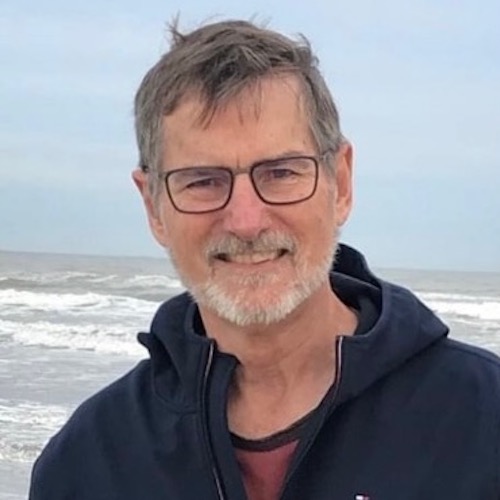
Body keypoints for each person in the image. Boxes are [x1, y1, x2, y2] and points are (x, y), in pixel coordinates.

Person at [30, 19, 500, 500]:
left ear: (341, 181)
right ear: (153, 205)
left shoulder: (482, 423)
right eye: (202, 180)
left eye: (280, 173)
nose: (247, 221)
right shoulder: (88, 464)